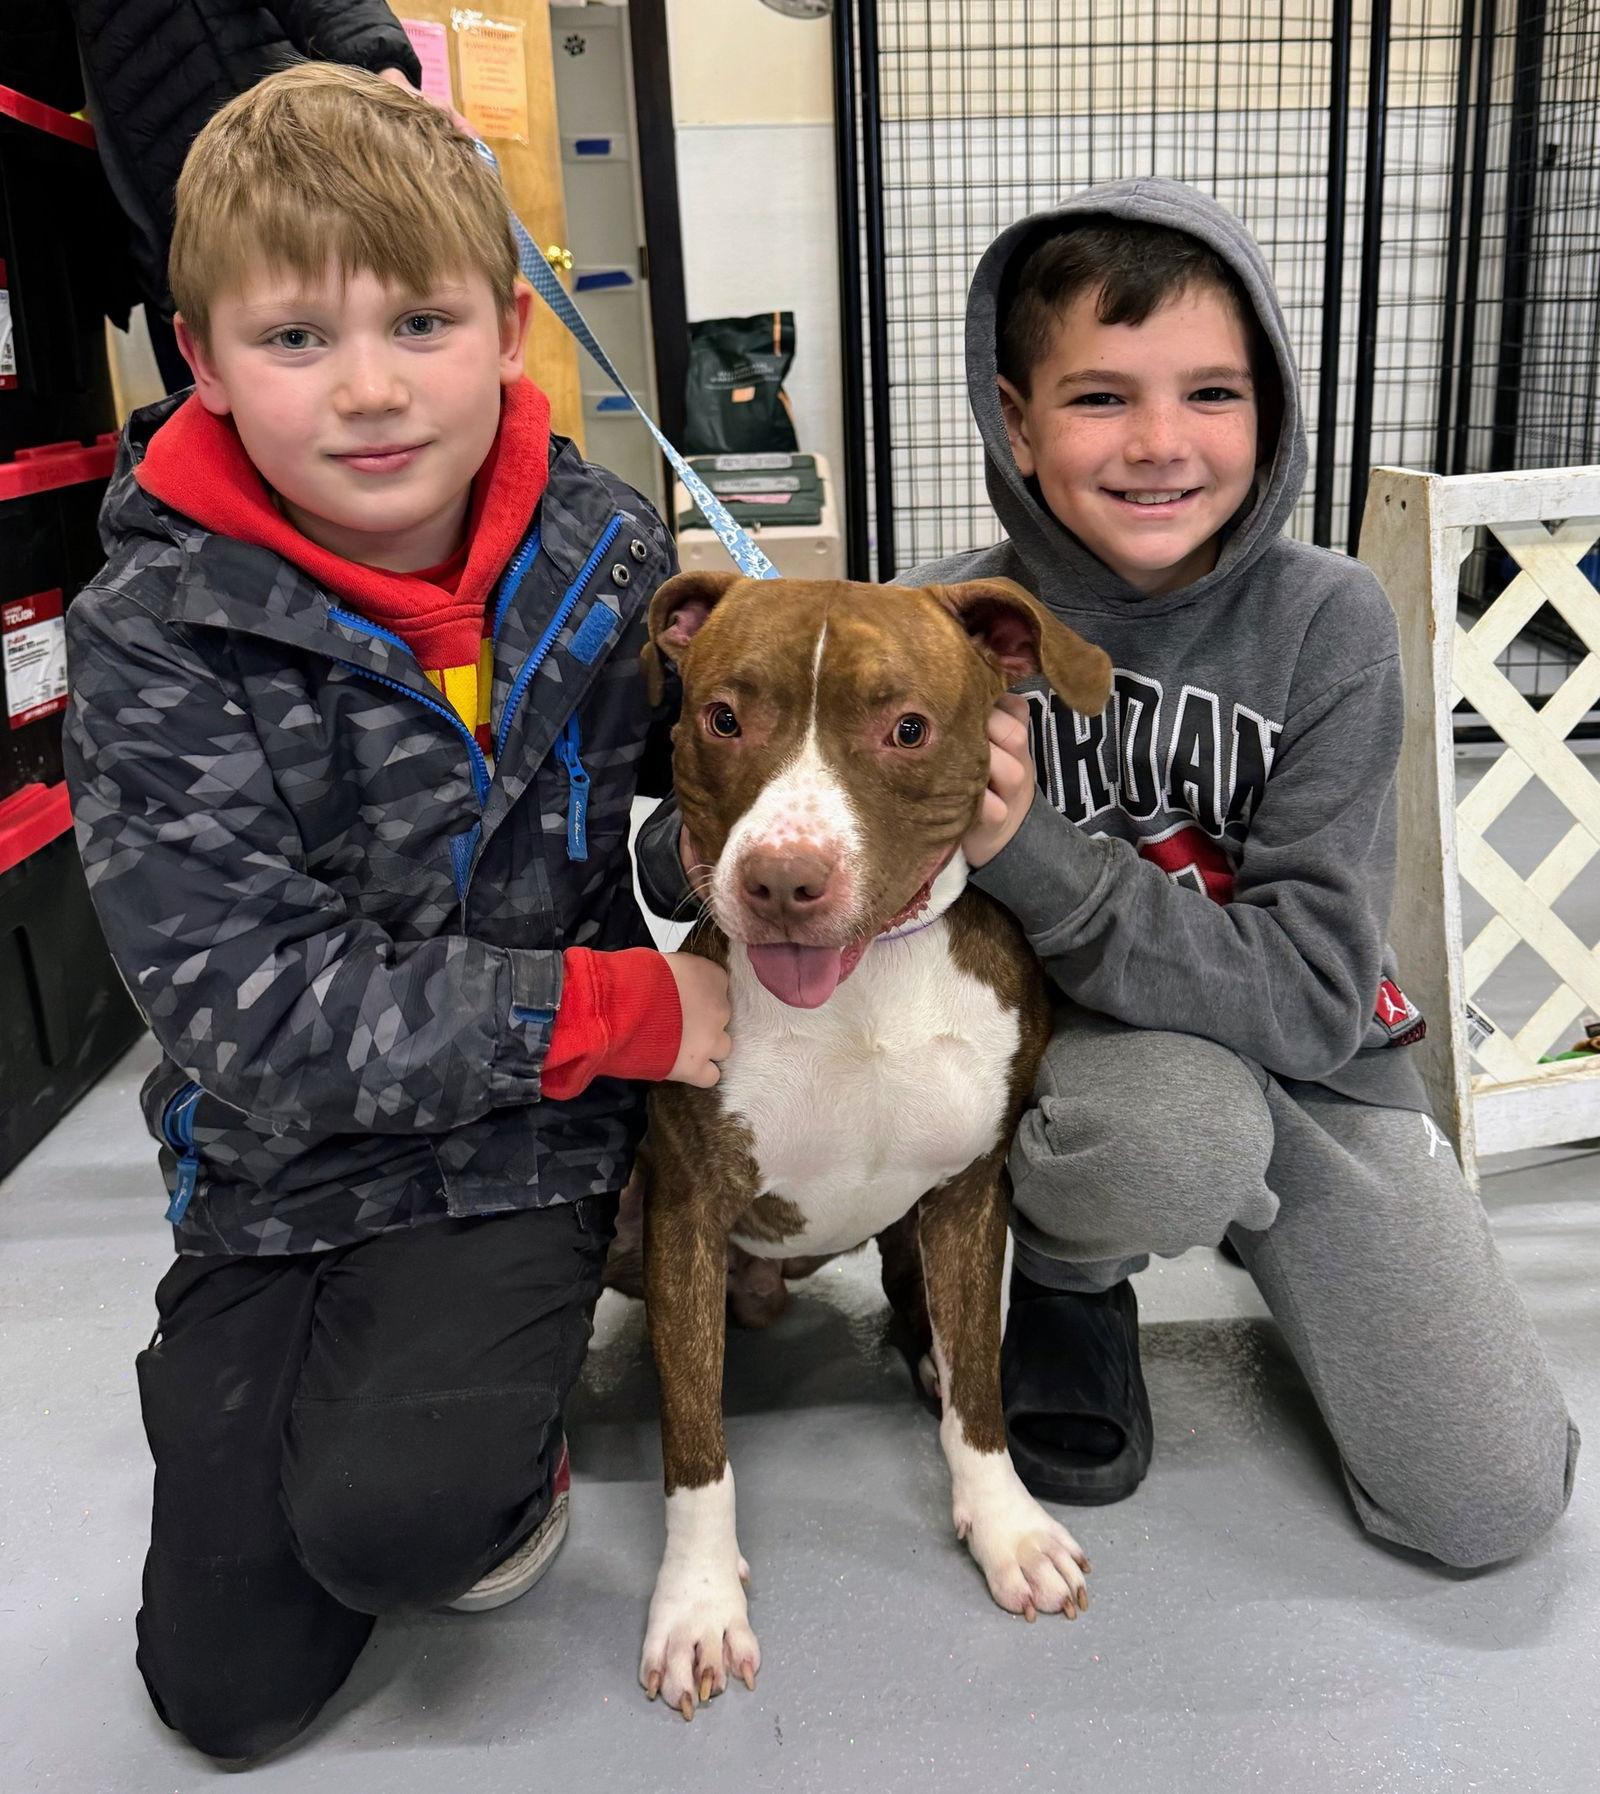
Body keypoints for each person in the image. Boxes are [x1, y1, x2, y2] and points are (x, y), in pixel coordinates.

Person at [62, 64, 728, 1765]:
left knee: (407, 1523)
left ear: (507, 326)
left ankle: (481, 1420)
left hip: (521, 1148)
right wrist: (614, 1012)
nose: (368, 390)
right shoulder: (151, 631)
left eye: (420, 321)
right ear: (199, 360)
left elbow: (678, 809)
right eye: (295, 340)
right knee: (229, 1695)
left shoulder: (603, 548)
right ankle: (254, 1400)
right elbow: (250, 1005)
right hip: (280, 1158)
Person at [900, 182, 1578, 1566]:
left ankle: (1269, 1237)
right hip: (1098, 1078)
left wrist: (1035, 854)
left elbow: (1322, 993)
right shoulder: (947, 625)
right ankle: (1075, 1283)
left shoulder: (1328, 620)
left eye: (1212, 391)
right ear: (1015, 421)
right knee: (1170, 1129)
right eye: (1100, 398)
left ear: (1269, 405)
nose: (1161, 443)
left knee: (1490, 1503)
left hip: (1312, 1063)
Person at [64, 0, 462, 393]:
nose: (372, 396)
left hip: (290, 174)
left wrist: (384, 72)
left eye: (420, 324)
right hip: (168, 242)